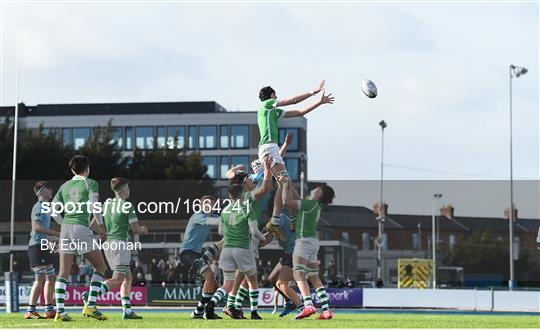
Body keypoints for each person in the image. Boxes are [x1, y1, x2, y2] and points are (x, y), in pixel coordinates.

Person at [257, 81, 334, 237]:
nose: (277, 97)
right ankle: (275, 221)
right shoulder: (267, 104)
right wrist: (313, 92)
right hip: (268, 148)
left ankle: (292, 219)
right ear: (271, 96)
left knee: (288, 186)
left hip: (272, 150)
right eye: (275, 95)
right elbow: (292, 100)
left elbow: (299, 112)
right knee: (285, 183)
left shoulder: (274, 112)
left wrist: (318, 103)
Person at [203, 157, 272, 320]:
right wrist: (268, 168)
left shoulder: (228, 207)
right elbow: (265, 188)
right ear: (243, 186)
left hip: (230, 246)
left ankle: (222, 304)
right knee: (251, 276)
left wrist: (237, 169)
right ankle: (245, 309)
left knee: (234, 279)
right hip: (246, 240)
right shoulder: (248, 197)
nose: (250, 180)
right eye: (248, 179)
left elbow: (221, 231)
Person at [51, 155, 108, 321]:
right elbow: (94, 205)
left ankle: (60, 312)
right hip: (80, 227)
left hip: (66, 228)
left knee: (63, 272)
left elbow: (54, 210)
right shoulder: (90, 183)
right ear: (87, 168)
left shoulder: (65, 185)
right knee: (100, 267)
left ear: (72, 170)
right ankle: (90, 306)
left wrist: (63, 224)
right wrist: (101, 226)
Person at [82, 177, 148, 320]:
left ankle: (127, 311)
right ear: (124, 189)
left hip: (109, 244)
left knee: (127, 278)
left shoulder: (106, 205)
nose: (129, 190)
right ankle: (90, 296)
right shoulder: (127, 205)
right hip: (120, 244)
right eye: (128, 187)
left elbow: (93, 224)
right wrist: (143, 229)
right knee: (118, 279)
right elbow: (135, 229)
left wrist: (104, 232)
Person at [281, 179, 336, 320]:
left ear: (318, 195)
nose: (316, 188)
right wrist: (288, 182)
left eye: (318, 189)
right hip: (313, 241)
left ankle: (308, 305)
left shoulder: (308, 204)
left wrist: (285, 185)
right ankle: (326, 310)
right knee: (314, 277)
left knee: (298, 274)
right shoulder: (314, 205)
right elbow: (296, 197)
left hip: (303, 241)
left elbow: (287, 201)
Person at [178, 195, 222, 319]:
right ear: (201, 205)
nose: (210, 206)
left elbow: (222, 220)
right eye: (207, 204)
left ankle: (205, 311)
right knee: (210, 275)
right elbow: (217, 221)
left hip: (196, 253)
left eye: (213, 204)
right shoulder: (198, 216)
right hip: (187, 253)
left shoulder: (212, 215)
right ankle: (200, 312)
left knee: (215, 285)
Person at [25, 181, 60, 320]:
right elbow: (36, 228)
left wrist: (50, 242)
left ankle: (48, 309)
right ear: (42, 191)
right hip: (37, 246)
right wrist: (55, 233)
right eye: (49, 188)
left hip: (42, 245)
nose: (52, 190)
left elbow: (42, 231)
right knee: (40, 279)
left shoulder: (45, 207)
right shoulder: (39, 206)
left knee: (51, 277)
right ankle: (30, 310)